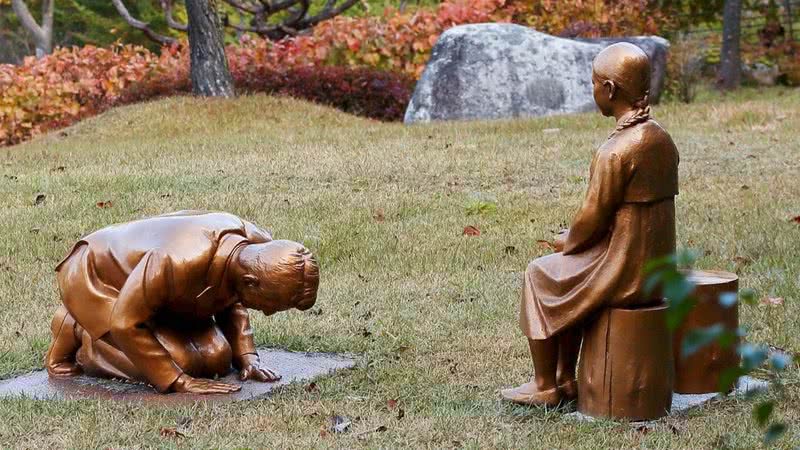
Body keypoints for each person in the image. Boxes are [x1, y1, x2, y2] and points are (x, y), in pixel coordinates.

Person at [501, 43, 679, 406]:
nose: (593, 90)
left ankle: (545, 385)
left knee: (540, 274)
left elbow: (592, 216)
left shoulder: (616, 151)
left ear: (610, 89)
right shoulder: (660, 138)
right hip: (656, 263)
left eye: (594, 83)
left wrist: (570, 241)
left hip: (626, 269)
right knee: (566, 276)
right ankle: (567, 378)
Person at [45, 210, 319, 394]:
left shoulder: (257, 250)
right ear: (251, 281)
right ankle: (78, 328)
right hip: (104, 283)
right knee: (182, 362)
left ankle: (159, 328)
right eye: (272, 304)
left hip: (161, 295)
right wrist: (177, 380)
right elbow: (124, 322)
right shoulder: (176, 261)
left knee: (217, 358)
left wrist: (247, 358)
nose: (269, 312)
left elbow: (233, 297)